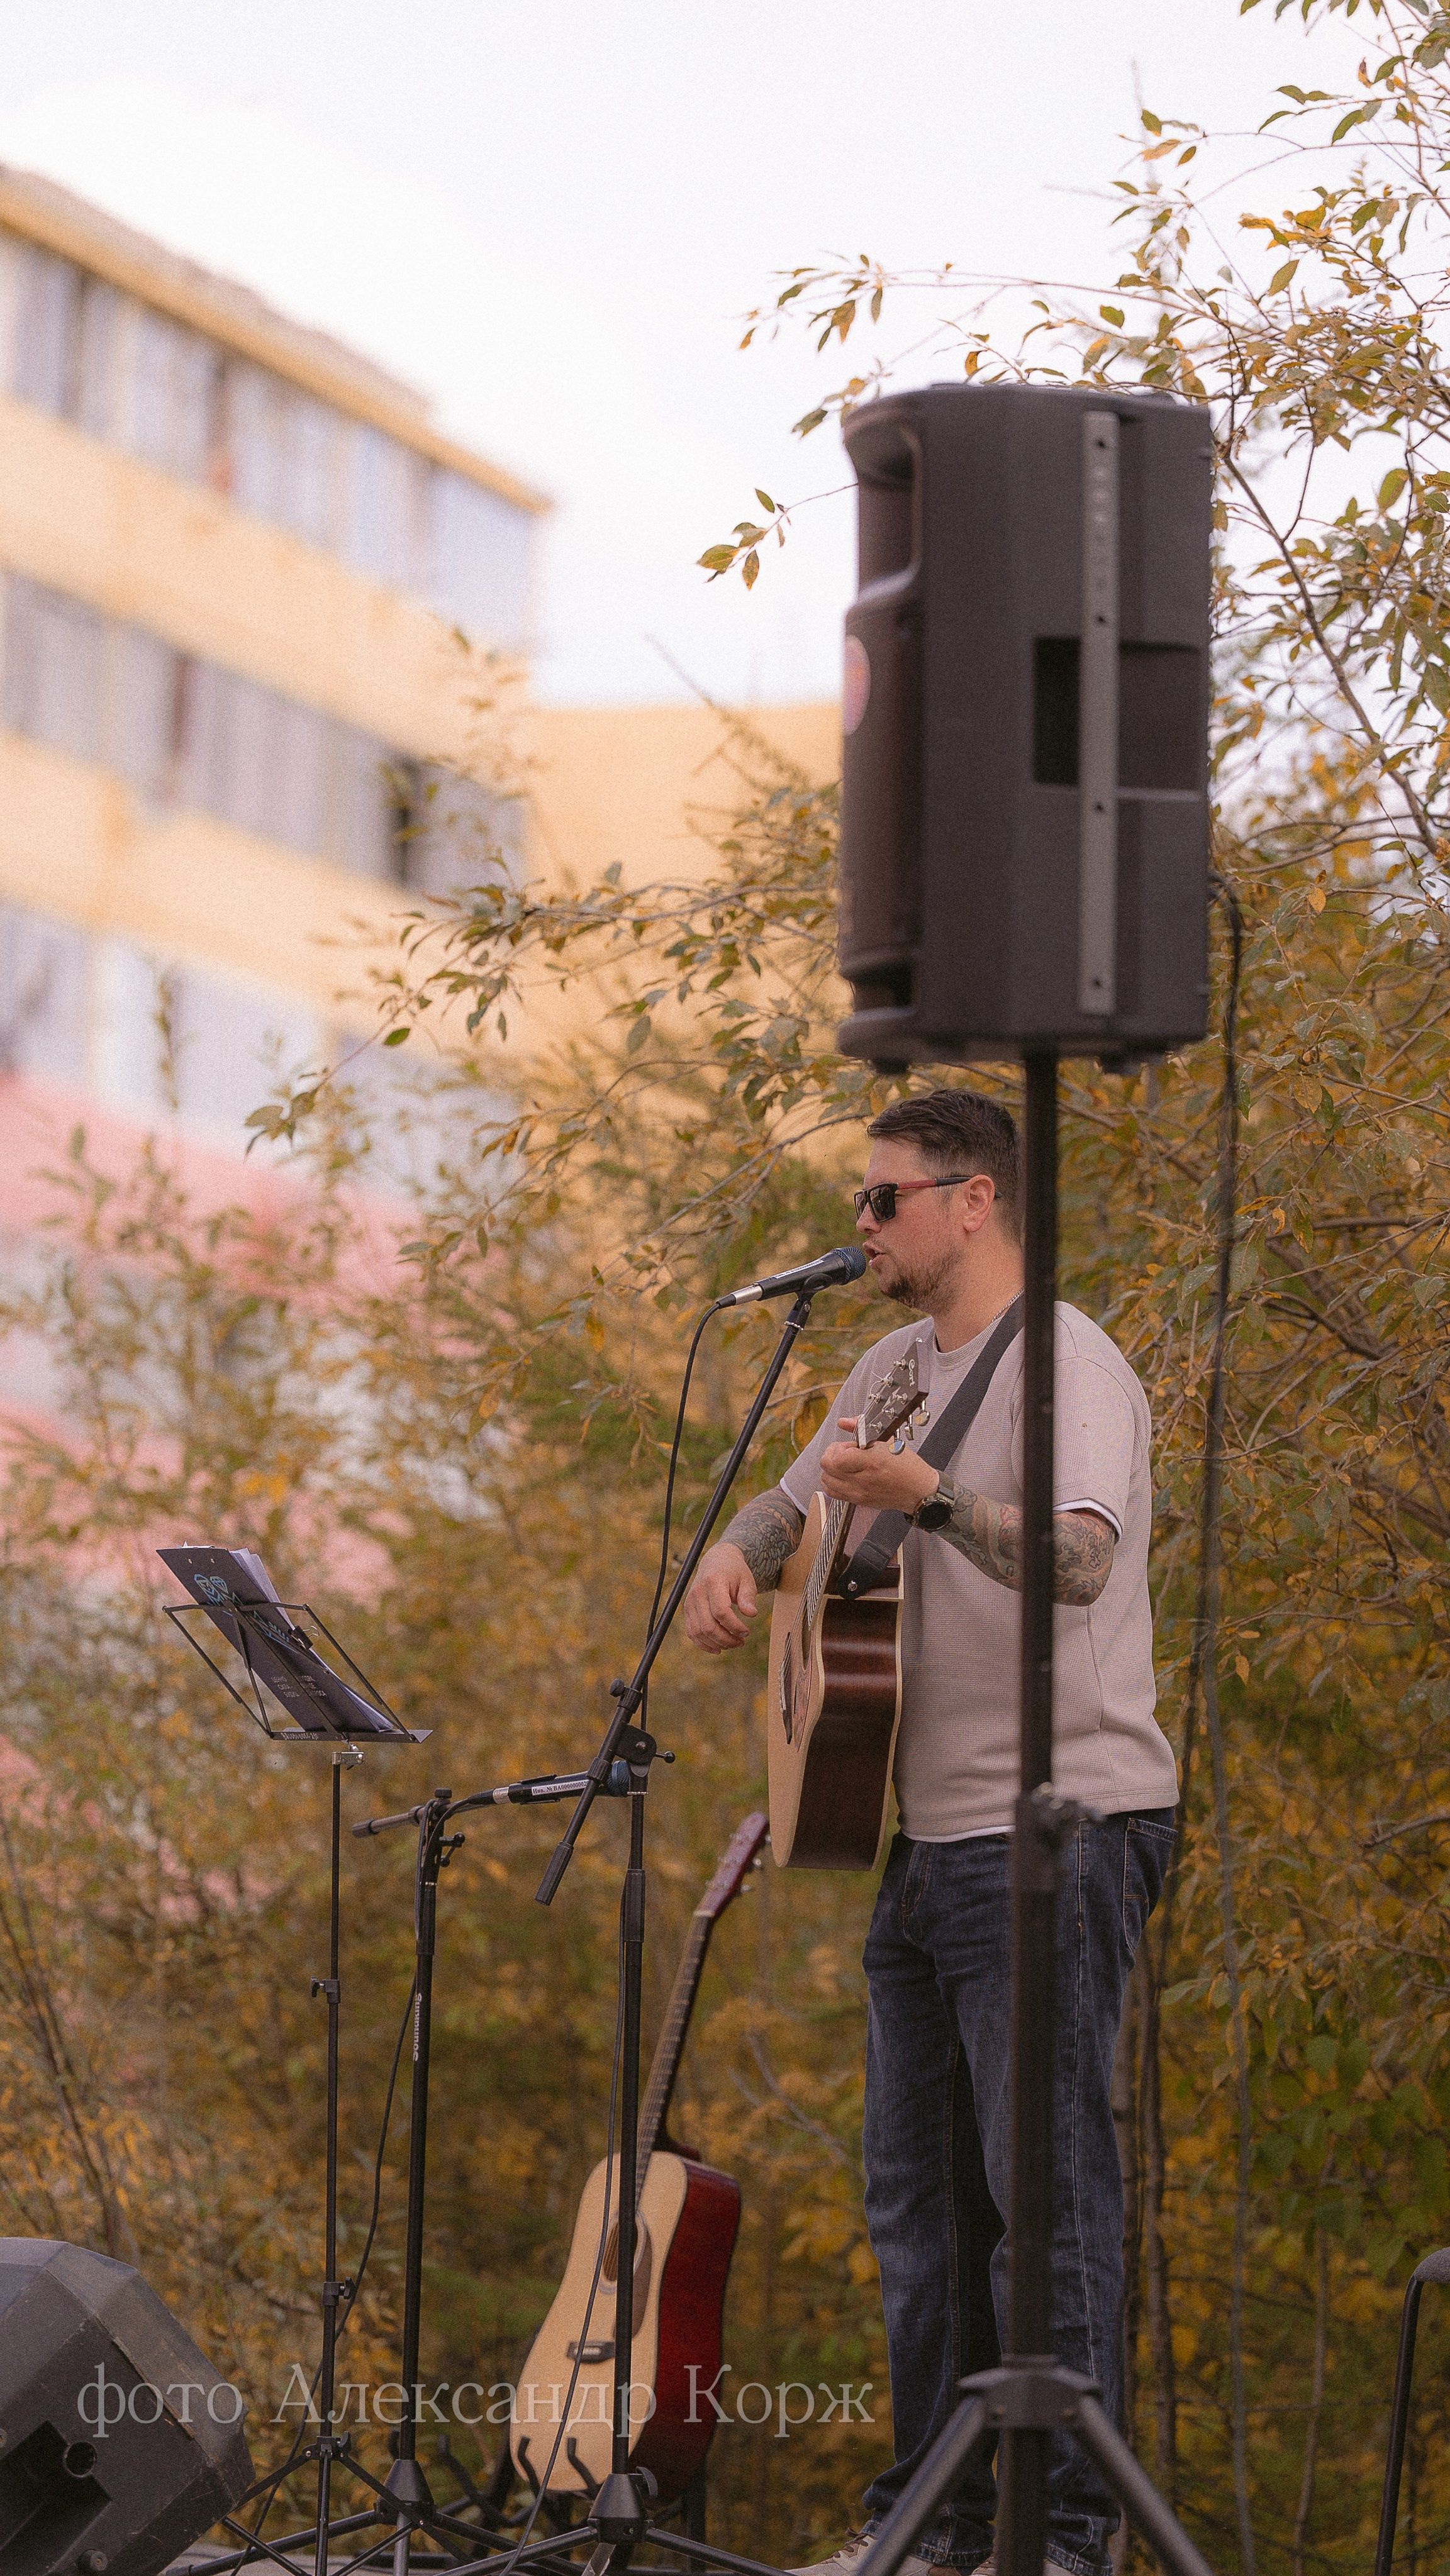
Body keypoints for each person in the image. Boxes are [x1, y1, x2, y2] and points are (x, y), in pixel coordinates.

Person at [684, 1088, 1178, 2576]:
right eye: (859, 1198)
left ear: (974, 1200)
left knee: (1046, 2199)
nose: (860, 1224)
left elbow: (1079, 1561)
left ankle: (1065, 2534)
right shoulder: (889, 1366)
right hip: (927, 1832)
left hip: (1061, 1824)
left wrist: (935, 1498)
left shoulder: (1065, 1363)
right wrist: (732, 1556)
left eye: (882, 1199)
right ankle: (928, 2523)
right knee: (918, 2208)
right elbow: (791, 1509)